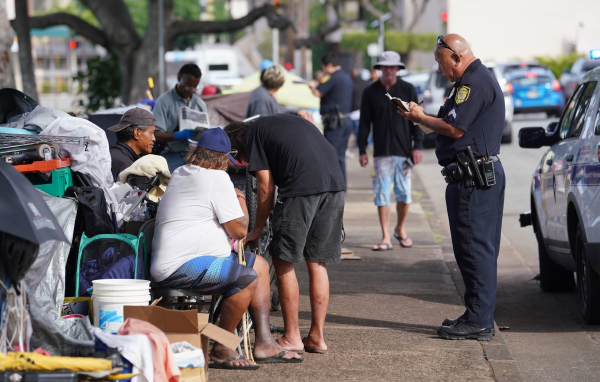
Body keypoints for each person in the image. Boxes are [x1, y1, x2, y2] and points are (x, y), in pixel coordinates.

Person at [151, 128, 301, 369]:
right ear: (223, 159)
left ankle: (264, 342)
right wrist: (239, 198)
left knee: (260, 266)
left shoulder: (181, 172)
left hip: (178, 261)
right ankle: (222, 345)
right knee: (247, 279)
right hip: (182, 265)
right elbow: (240, 230)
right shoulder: (217, 178)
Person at [398, 34, 506, 341]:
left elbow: (455, 128)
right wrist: (418, 118)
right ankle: (477, 314)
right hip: (471, 175)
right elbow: (450, 121)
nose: (439, 69)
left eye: (440, 61)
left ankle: (479, 320)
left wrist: (421, 117)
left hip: (473, 178)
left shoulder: (474, 82)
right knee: (475, 249)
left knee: (474, 249)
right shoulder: (468, 82)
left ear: (456, 57)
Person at [225, 114, 345, 354]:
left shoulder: (253, 136)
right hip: (335, 183)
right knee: (317, 262)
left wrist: (256, 229)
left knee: (283, 260)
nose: (243, 164)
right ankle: (317, 337)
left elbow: (266, 188)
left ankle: (292, 337)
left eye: (237, 158)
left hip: (302, 188)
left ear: (237, 147)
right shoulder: (278, 123)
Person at [358, 51, 424, 250]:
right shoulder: (370, 92)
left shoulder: (408, 89)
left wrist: (417, 146)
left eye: (392, 67)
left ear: (397, 69)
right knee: (382, 194)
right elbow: (364, 123)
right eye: (385, 67)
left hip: (404, 151)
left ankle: (400, 228)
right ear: (380, 69)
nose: (388, 70)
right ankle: (385, 236)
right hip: (382, 152)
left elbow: (418, 119)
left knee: (405, 194)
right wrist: (362, 149)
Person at [153, 63, 208, 173]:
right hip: (170, 155)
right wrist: (177, 135)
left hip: (194, 157)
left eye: (195, 87)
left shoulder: (200, 104)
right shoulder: (164, 102)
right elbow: (155, 135)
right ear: (179, 78)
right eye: (188, 85)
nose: (191, 89)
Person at [308, 53, 353, 184]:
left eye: (323, 67)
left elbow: (318, 93)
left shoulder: (332, 78)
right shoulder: (346, 77)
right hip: (345, 120)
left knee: (331, 155)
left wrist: (312, 86)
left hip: (335, 123)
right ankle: (342, 185)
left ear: (328, 65)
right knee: (341, 156)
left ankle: (335, 185)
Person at [108, 108, 156, 181]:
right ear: (136, 133)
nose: (153, 138)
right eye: (151, 133)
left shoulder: (117, 155)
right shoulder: (123, 164)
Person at [350, 67, 369, 141]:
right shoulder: (366, 83)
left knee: (357, 128)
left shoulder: (351, 83)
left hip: (355, 108)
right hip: (364, 108)